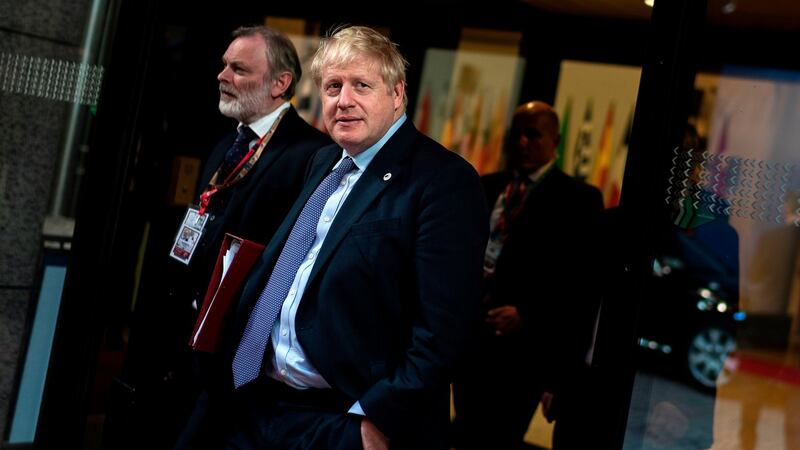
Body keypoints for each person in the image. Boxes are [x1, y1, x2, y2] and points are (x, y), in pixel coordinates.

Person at [177, 25, 488, 450]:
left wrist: (375, 421)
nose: (344, 100)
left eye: (362, 85)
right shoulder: (324, 161)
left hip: (342, 421)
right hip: (259, 403)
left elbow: (446, 330)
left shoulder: (443, 181)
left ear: (397, 93)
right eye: (333, 86)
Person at [108, 25, 330, 450]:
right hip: (181, 342)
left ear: (280, 83)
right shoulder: (227, 143)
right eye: (224, 65)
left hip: (234, 356)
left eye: (239, 69)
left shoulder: (309, 155)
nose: (222, 76)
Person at [451, 100, 604, 450]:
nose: (522, 142)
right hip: (472, 340)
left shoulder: (578, 200)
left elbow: (579, 285)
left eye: (533, 135)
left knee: (499, 439)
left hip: (525, 353)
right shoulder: (486, 186)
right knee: (465, 433)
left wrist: (527, 314)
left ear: (555, 141)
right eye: (517, 134)